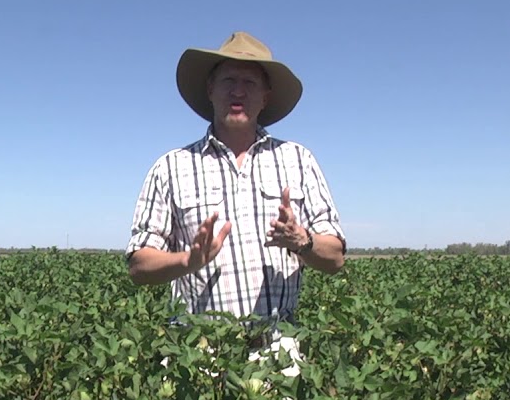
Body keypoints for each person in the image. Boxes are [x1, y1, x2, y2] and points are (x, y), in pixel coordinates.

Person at [126, 32, 346, 368]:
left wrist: (302, 241)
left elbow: (335, 258)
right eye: (228, 80)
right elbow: (139, 266)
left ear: (266, 96)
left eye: (250, 82)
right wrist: (187, 261)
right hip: (196, 353)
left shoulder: (299, 160)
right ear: (210, 90)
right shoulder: (170, 167)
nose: (238, 91)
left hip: (277, 352)